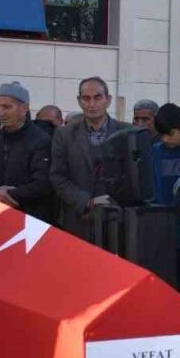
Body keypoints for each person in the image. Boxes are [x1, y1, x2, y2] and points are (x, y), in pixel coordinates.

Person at [49, 76, 128, 239]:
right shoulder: (64, 134)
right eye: (86, 98)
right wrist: (86, 201)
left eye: (97, 97)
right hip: (77, 221)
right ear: (79, 101)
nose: (91, 104)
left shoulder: (126, 133)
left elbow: (134, 178)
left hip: (117, 221)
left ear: (108, 100)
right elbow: (57, 176)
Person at [0, 81, 54, 221]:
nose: (0, 113)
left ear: (24, 108)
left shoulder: (41, 141)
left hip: (31, 217)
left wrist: (11, 194)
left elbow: (43, 182)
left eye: (7, 107)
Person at [149, 103, 180, 208]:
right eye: (162, 135)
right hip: (160, 210)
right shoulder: (156, 151)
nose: (165, 139)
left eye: (170, 134)